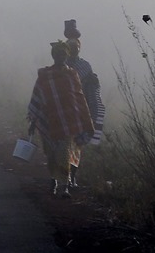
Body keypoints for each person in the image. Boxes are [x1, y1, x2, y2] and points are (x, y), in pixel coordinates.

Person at [27, 40, 95, 198]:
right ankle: (54, 180)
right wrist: (33, 121)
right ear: (53, 56)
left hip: (67, 122)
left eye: (63, 54)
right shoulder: (45, 76)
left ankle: (64, 186)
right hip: (48, 121)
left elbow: (79, 98)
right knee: (51, 154)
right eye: (58, 54)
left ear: (67, 55)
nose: (60, 57)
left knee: (64, 152)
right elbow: (37, 97)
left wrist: (84, 119)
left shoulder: (72, 74)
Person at [63, 20, 105, 189]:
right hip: (64, 110)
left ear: (79, 47)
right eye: (70, 46)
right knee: (64, 145)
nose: (74, 48)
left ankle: (72, 176)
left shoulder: (85, 65)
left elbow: (91, 88)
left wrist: (93, 81)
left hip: (80, 110)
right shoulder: (61, 65)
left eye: (76, 46)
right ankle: (63, 176)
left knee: (77, 145)